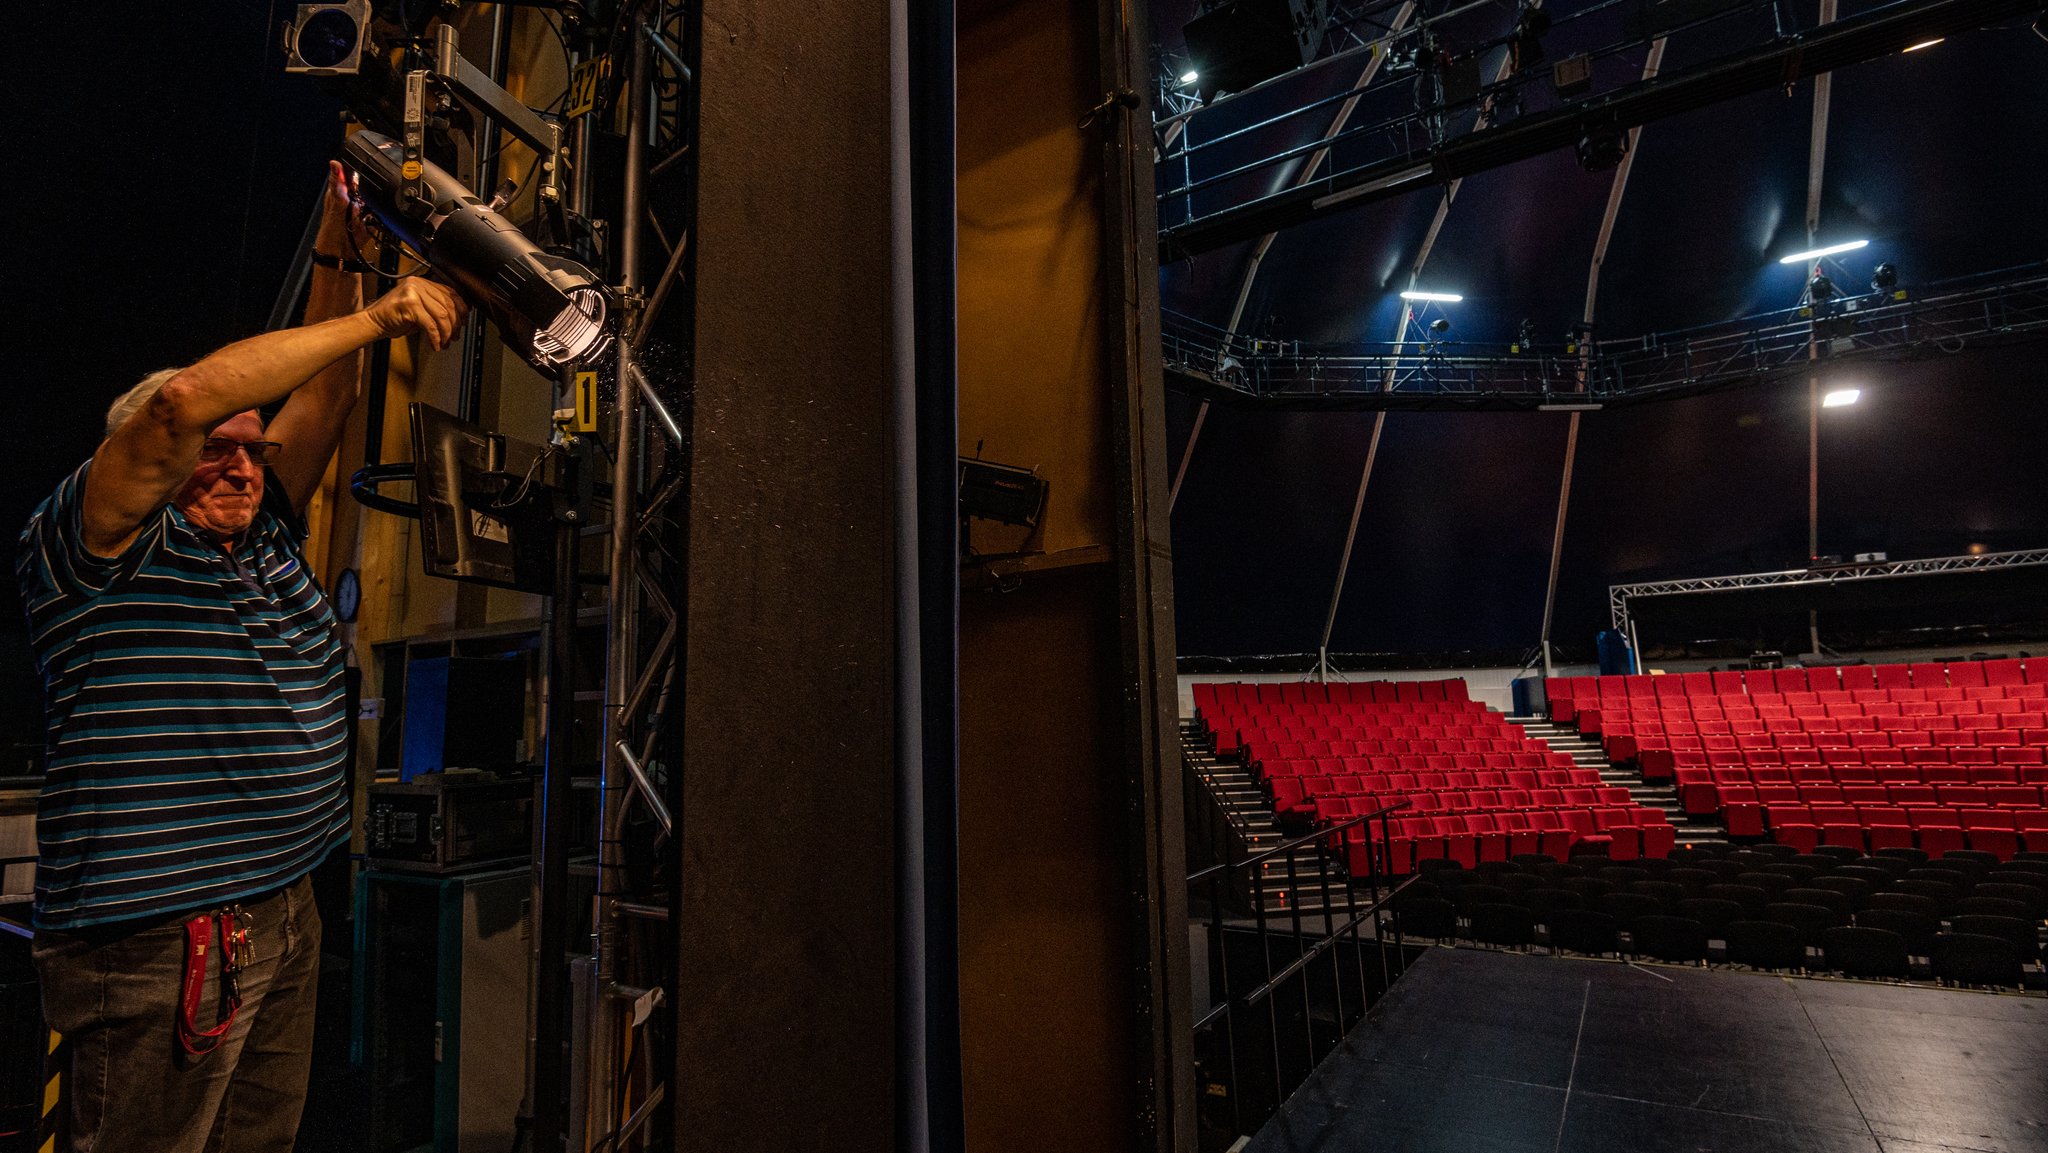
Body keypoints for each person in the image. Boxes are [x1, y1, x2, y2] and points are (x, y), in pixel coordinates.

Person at [15, 161, 466, 1152]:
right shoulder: (98, 546)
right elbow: (184, 400)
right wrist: (379, 315)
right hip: (161, 938)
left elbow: (330, 401)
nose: (241, 465)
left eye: (254, 450)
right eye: (219, 450)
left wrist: (338, 250)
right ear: (156, 456)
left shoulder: (264, 534)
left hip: (279, 907)